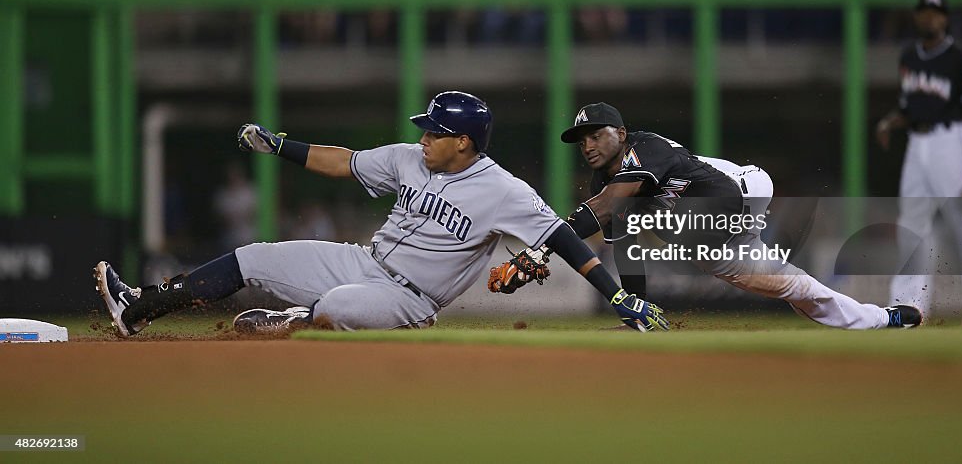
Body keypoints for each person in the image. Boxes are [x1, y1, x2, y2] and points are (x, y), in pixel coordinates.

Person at [94, 92, 669, 335]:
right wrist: (281, 146)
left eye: (436, 132)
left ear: (465, 143)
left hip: (410, 299)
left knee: (338, 308)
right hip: (362, 262)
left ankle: (292, 321)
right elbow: (344, 162)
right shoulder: (408, 157)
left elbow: (563, 236)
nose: (423, 137)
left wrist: (618, 296)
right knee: (252, 258)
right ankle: (138, 307)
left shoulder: (504, 191)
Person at [492, 102, 922, 330]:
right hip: (709, 233)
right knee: (792, 287)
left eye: (596, 134)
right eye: (580, 139)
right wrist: (635, 306)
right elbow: (623, 247)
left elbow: (603, 210)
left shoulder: (643, 149)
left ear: (620, 134)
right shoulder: (603, 186)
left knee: (676, 232)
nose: (587, 144)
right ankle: (884, 319)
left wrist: (539, 248)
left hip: (744, 189)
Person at [875, 0, 962, 327]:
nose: (929, 18)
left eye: (935, 13)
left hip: (950, 140)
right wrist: (890, 121)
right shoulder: (909, 57)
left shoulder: (959, 58)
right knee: (912, 224)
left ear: (945, 19)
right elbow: (909, 105)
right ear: (916, 17)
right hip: (917, 143)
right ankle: (907, 306)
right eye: (923, 12)